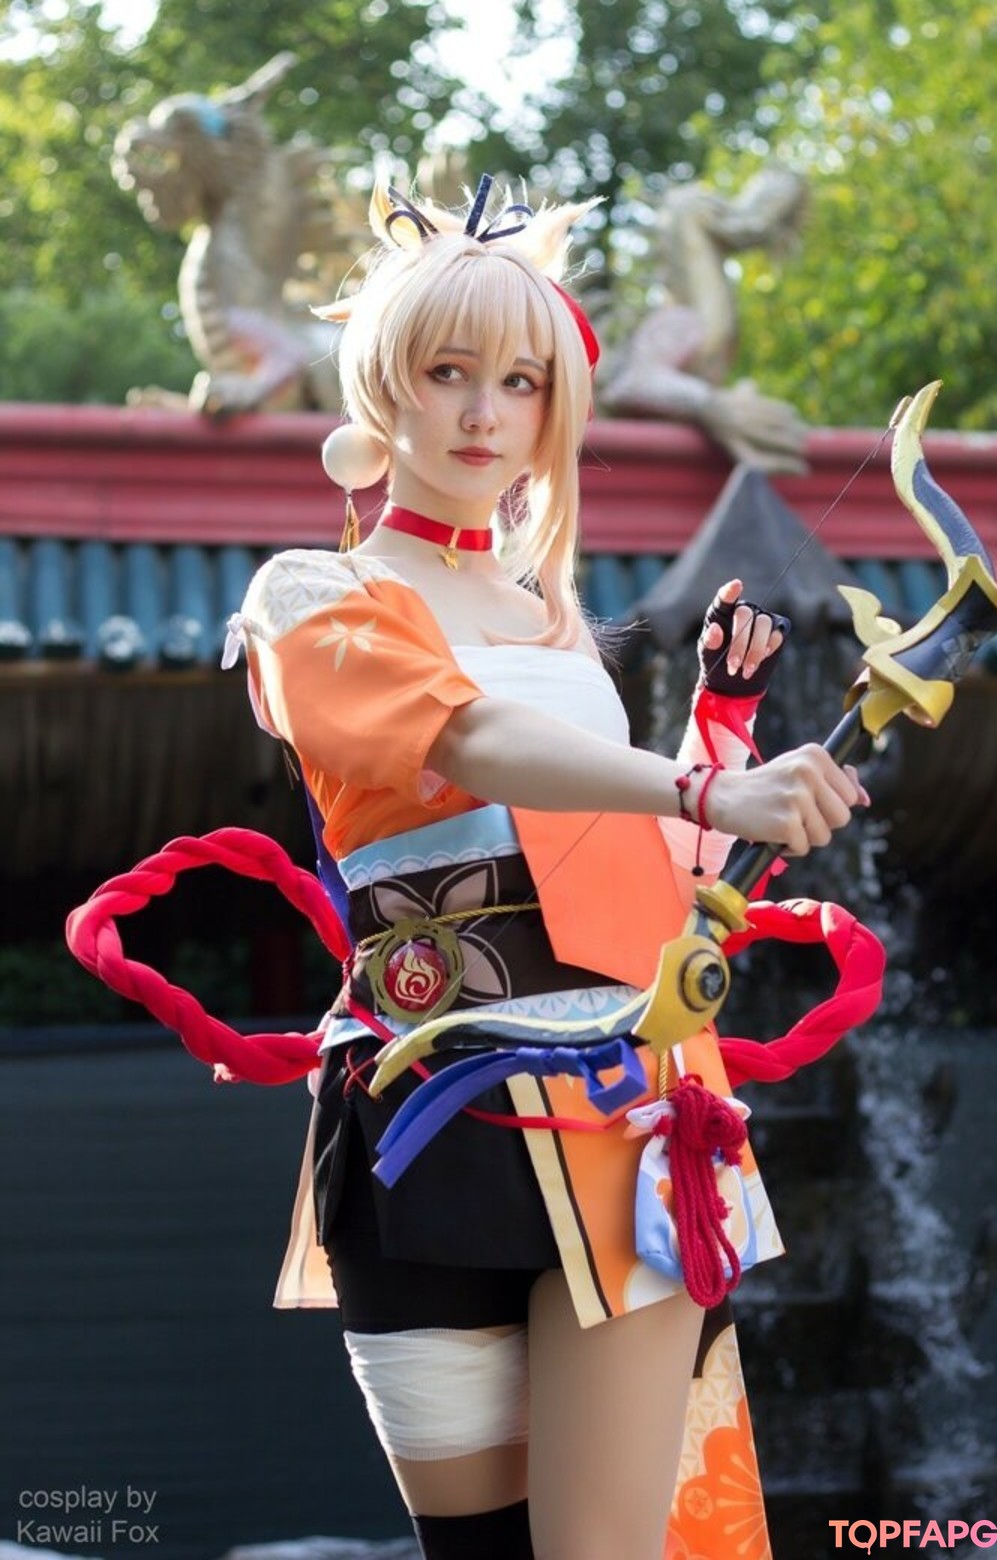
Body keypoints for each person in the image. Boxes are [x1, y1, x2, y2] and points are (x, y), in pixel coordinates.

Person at [221, 176, 869, 1560]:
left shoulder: (557, 625)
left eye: (518, 382)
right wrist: (699, 780)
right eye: (447, 372)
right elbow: (469, 739)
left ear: (551, 411)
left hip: (627, 1105)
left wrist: (721, 735)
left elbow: (649, 873)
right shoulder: (311, 596)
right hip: (422, 1106)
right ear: (381, 385)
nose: (483, 413)